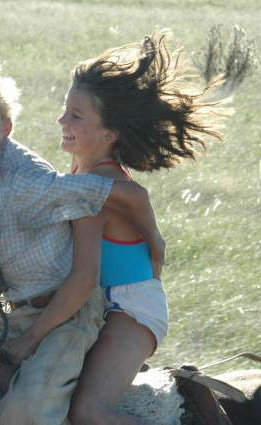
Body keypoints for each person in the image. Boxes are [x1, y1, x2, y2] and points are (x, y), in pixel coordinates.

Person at [0, 53, 165, 425]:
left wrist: (155, 245)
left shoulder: (31, 179)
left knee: (28, 413)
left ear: (6, 127)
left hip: (70, 312)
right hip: (15, 309)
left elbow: (130, 198)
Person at [62, 30, 232, 425]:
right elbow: (156, 246)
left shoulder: (103, 183)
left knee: (87, 411)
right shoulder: (82, 170)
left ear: (109, 134)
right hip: (104, 302)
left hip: (130, 308)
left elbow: (137, 200)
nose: (61, 120)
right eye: (65, 109)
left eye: (75, 115)